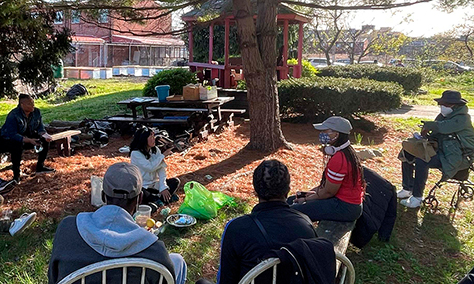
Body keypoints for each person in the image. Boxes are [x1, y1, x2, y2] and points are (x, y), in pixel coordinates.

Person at [48, 162, 187, 284]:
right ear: (139, 199)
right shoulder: (155, 251)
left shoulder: (67, 229)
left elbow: (53, 278)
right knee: (177, 261)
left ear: (103, 195)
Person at [202, 159, 319, 284]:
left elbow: (226, 280)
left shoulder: (236, 229)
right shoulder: (306, 224)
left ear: (255, 190)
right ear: (287, 190)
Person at [397, 90, 474, 208]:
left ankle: (417, 197)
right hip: (444, 152)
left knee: (422, 160)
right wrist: (422, 138)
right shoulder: (443, 116)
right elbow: (436, 134)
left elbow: (443, 127)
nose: (443, 107)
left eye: (447, 105)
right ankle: (407, 188)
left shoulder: (463, 119)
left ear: (457, 106)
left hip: (458, 157)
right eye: (442, 104)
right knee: (408, 151)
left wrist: (429, 125)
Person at [288, 116, 365, 222]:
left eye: (325, 131)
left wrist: (305, 199)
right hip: (342, 201)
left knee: (291, 211)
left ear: (336, 134)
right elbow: (326, 188)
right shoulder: (345, 152)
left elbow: (328, 192)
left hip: (346, 207)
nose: (322, 134)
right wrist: (305, 194)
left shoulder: (339, 158)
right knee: (291, 199)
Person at [0, 94, 55, 183]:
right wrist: (29, 140)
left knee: (44, 141)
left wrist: (45, 135)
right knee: (17, 146)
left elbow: (40, 128)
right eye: (29, 104)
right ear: (22, 105)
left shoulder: (36, 112)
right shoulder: (13, 115)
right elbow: (12, 135)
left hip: (27, 137)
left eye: (33, 103)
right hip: (7, 140)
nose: (32, 105)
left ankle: (40, 167)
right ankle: (16, 175)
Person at [130, 126, 180, 212]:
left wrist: (163, 186)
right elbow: (150, 167)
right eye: (151, 137)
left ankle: (158, 200)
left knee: (175, 181)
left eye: (154, 136)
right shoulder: (135, 154)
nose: (154, 139)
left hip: (154, 184)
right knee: (140, 192)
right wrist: (163, 155)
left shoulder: (155, 150)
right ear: (144, 139)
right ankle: (160, 200)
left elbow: (161, 169)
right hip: (143, 185)